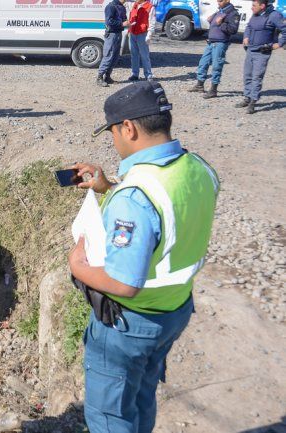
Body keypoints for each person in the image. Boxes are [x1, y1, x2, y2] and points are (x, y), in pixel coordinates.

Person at [69, 81, 219, 433]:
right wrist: (108, 189)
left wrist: (76, 265)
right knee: (140, 394)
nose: (114, 142)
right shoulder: (198, 167)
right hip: (175, 309)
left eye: (112, 134)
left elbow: (123, 283)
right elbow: (165, 218)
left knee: (110, 417)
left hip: (130, 324)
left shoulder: (135, 196)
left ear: (129, 128)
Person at [236, 0, 285, 114]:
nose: (252, 8)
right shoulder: (256, 14)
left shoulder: (274, 15)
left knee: (256, 77)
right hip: (250, 49)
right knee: (247, 75)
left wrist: (279, 44)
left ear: (262, 6)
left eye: (254, 5)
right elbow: (249, 26)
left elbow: (285, 29)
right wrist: (246, 37)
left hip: (262, 52)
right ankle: (247, 98)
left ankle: (253, 101)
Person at [188, 0, 240, 98]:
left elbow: (233, 30)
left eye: (220, 0)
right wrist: (211, 20)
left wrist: (221, 24)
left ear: (227, 0)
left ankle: (213, 90)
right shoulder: (220, 11)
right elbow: (215, 23)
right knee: (203, 63)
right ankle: (200, 85)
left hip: (220, 43)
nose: (218, 2)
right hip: (211, 42)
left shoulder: (233, 13)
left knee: (216, 66)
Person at [97, 0, 129, 86]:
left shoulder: (122, 6)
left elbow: (123, 18)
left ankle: (107, 77)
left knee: (115, 56)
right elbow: (109, 21)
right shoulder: (110, 7)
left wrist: (127, 22)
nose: (125, 0)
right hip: (111, 34)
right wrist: (122, 23)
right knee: (108, 55)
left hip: (118, 33)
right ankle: (99, 77)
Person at [128, 0, 156, 81]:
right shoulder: (134, 5)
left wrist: (149, 35)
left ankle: (148, 75)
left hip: (142, 34)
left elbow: (152, 22)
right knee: (134, 55)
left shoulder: (150, 7)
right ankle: (135, 74)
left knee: (144, 55)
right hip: (133, 33)